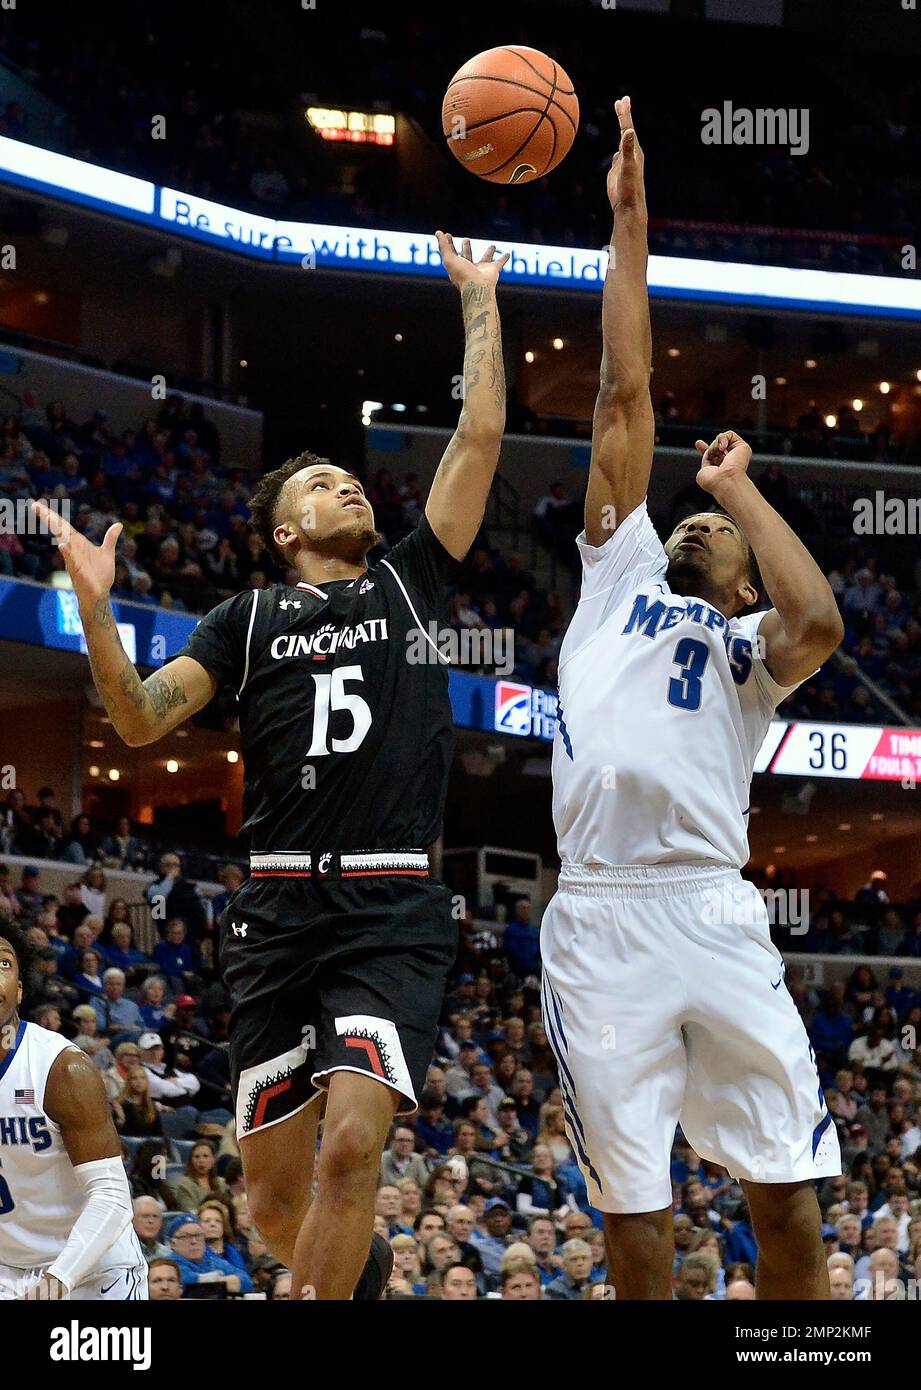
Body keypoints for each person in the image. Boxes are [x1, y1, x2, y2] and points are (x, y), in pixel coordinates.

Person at [35, 232, 510, 1302]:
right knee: (272, 1212)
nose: (351, 489)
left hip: (389, 901)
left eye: (353, 480)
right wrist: (96, 605)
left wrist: (477, 302)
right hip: (279, 909)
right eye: (327, 484)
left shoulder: (406, 583)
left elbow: (480, 436)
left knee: (354, 1152)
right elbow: (141, 718)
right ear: (286, 528)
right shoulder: (245, 618)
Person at [539, 99, 843, 1302]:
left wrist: (745, 490)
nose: (695, 519)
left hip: (713, 908)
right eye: (691, 511)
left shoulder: (754, 643)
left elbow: (819, 621)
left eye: (711, 526)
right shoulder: (616, 575)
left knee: (786, 1193)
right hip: (601, 912)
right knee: (636, 1210)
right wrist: (630, 227)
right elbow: (623, 396)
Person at [0, 921, 147, 1300]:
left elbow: (113, 1198)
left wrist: (58, 1279)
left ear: (18, 991)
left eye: (2, 963)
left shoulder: (61, 1068)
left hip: (92, 1270)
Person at [174, 1141, 229, 1212]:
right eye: (196, 1157)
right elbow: (190, 1213)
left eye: (205, 1156)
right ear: (191, 1160)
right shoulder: (184, 1186)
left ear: (213, 1160)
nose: (201, 1160)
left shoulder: (222, 1183)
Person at [132, 1196, 171, 1262]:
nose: (151, 1221)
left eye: (155, 1216)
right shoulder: (124, 1254)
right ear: (132, 1219)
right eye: (145, 1216)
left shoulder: (168, 1255)